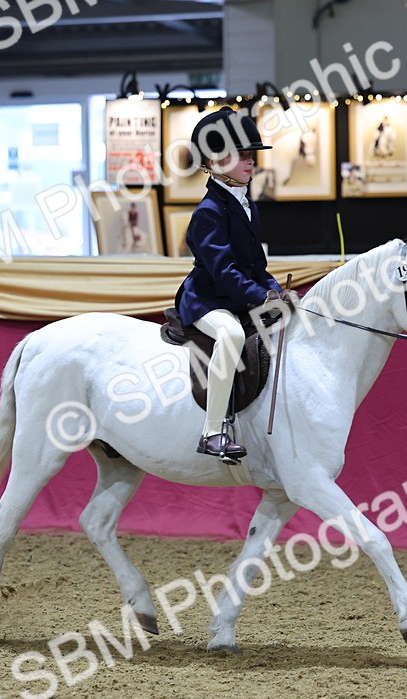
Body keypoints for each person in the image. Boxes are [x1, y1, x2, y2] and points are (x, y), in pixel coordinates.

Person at [175, 106, 299, 462]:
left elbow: (254, 265)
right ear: (215, 161)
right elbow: (224, 272)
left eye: (251, 155)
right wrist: (261, 296)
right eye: (241, 155)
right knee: (230, 335)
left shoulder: (246, 204)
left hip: (234, 295)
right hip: (207, 300)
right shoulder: (208, 212)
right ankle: (213, 431)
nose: (250, 162)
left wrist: (275, 289)